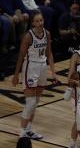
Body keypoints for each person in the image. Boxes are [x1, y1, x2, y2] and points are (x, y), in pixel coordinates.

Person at [12, 10, 57, 140]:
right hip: (30, 68)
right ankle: (22, 132)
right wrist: (16, 75)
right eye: (37, 21)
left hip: (43, 67)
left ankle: (29, 129)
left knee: (36, 101)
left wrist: (53, 72)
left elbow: (49, 53)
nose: (39, 23)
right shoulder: (28, 36)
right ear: (32, 23)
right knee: (30, 102)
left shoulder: (47, 33)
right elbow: (20, 57)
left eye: (41, 20)